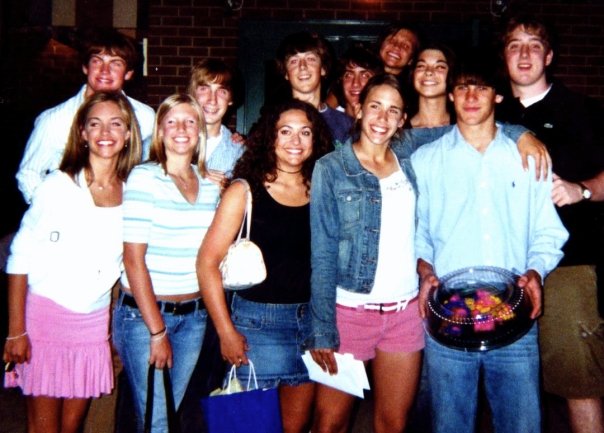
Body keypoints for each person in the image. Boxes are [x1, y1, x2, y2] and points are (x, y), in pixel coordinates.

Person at [411, 53, 569, 433]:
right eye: (462, 87)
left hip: (513, 312)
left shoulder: (530, 158)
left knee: (521, 424)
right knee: (450, 424)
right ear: (451, 95)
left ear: (498, 95)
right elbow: (418, 232)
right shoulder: (425, 160)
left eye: (481, 88)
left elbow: (548, 231)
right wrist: (425, 270)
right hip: (448, 314)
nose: (471, 96)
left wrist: (535, 271)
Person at [2, 92, 142, 433]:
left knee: (72, 427)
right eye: (95, 124)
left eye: (115, 124)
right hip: (45, 319)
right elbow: (19, 258)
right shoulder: (57, 186)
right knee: (43, 428)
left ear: (128, 134)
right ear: (82, 133)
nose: (105, 132)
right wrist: (16, 331)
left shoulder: (134, 192)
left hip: (92, 325)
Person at [197, 98, 332, 433]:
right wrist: (226, 331)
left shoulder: (321, 188)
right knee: (251, 427)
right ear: (270, 136)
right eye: (285, 131)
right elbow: (207, 263)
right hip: (257, 327)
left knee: (295, 428)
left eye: (305, 132)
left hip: (310, 325)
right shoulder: (245, 191)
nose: (295, 141)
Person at [497, 14, 604, 433]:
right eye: (515, 45)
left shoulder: (584, 111)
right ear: (504, 56)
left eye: (534, 45)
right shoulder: (488, 112)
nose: (524, 54)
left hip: (567, 266)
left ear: (550, 56)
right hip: (502, 266)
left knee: (578, 381)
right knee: (509, 386)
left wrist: (583, 189)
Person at [307, 74, 424, 433]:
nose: (382, 118)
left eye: (393, 110)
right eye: (375, 106)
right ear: (358, 110)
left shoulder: (409, 156)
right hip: (348, 315)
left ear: (403, 120)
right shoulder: (330, 167)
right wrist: (322, 328)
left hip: (404, 314)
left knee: (392, 424)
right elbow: (322, 252)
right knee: (330, 424)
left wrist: (520, 134)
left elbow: (465, 129)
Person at [112, 94, 220, 432]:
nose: (181, 129)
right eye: (171, 121)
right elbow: (133, 260)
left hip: (194, 317)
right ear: (160, 131)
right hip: (145, 317)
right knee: (157, 420)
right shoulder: (145, 177)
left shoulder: (210, 185)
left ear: (200, 131)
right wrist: (157, 331)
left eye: (190, 121)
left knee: (166, 412)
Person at [16, 28, 155, 205]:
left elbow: (148, 167)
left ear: (128, 73)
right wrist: (51, 210)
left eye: (115, 63)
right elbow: (29, 174)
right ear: (85, 67)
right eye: (97, 61)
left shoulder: (145, 116)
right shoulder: (55, 119)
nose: (104, 70)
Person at [275, 31, 354, 146]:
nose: (302, 66)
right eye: (294, 61)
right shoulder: (274, 121)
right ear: (286, 73)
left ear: (323, 69)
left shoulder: (345, 124)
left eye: (310, 59)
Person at [188, 58, 244, 185]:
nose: (212, 100)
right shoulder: (169, 142)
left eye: (222, 91)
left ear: (230, 99)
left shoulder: (240, 152)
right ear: (193, 94)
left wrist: (227, 189)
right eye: (204, 89)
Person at [325, 43, 383, 118]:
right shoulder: (328, 120)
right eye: (349, 75)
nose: (355, 83)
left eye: (365, 76)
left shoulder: (383, 121)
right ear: (341, 80)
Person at [407, 42, 456, 128]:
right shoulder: (397, 129)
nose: (429, 71)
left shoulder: (463, 127)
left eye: (440, 67)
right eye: (421, 66)